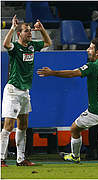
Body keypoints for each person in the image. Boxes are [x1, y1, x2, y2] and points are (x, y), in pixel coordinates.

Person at [1, 15, 52, 167]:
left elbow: (48, 42)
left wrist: (42, 30)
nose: (30, 33)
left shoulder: (32, 46)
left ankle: (20, 159)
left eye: (30, 31)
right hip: (13, 91)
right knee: (8, 126)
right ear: (19, 34)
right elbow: (5, 44)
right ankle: (1, 158)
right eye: (26, 31)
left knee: (23, 125)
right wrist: (12, 28)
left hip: (25, 91)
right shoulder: (15, 47)